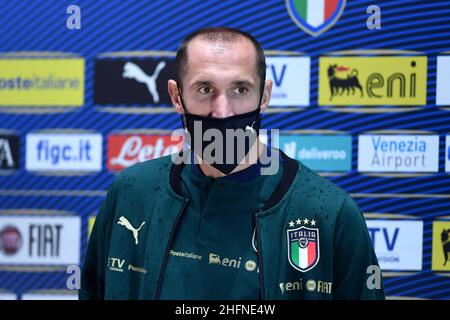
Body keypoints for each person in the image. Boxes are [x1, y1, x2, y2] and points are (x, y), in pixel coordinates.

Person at [79, 27, 385, 300]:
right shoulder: (132, 193)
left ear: (264, 96)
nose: (222, 112)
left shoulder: (329, 212)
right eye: (205, 89)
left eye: (240, 90)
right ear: (176, 96)